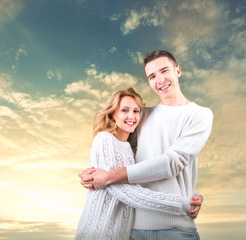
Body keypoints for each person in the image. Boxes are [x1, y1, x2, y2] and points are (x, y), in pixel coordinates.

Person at [79, 50, 213, 240]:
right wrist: (93, 172)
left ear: (178, 70)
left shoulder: (199, 115)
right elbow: (121, 154)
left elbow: (172, 163)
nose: (160, 80)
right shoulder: (141, 116)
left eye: (164, 71)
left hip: (177, 229)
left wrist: (107, 177)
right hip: (133, 229)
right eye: (152, 76)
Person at [75, 88, 193, 240]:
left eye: (136, 111)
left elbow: (149, 182)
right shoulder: (105, 139)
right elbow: (126, 192)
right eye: (125, 110)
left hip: (121, 234)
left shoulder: (131, 149)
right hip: (99, 231)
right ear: (112, 114)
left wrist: (190, 194)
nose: (131, 116)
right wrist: (181, 204)